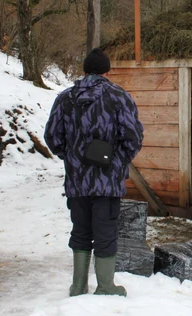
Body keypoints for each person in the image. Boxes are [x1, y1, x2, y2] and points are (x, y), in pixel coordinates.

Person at [45, 48, 143, 297]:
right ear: (107, 71)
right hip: (107, 181)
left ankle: (78, 286)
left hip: (77, 181)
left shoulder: (65, 98)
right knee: (105, 231)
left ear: (85, 70)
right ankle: (106, 286)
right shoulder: (119, 96)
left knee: (80, 230)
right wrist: (117, 161)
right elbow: (133, 137)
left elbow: (52, 137)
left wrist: (72, 158)